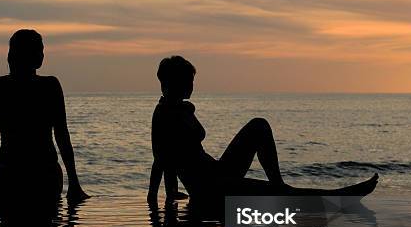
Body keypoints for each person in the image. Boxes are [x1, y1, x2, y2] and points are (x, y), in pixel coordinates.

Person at [147, 56, 378, 206]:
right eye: (188, 81)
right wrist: (160, 197)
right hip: (210, 187)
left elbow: (172, 158)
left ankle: (296, 188)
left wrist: (171, 192)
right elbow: (162, 159)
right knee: (277, 192)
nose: (192, 86)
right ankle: (338, 197)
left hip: (216, 173)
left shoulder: (179, 109)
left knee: (259, 126)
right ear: (174, 82)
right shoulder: (166, 114)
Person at [0, 29, 89, 203]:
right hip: (46, 177)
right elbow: (62, 136)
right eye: (40, 51)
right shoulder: (50, 86)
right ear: (34, 57)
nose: (43, 55)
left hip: (10, 176)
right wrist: (74, 182)